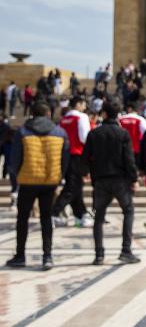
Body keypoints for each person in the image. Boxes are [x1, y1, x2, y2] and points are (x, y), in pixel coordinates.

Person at [6, 101, 69, 271]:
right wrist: (59, 177)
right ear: (48, 114)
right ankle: (47, 256)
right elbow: (65, 160)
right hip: (50, 181)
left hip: (27, 180)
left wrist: (18, 174)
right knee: (46, 218)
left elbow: (15, 159)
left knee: (22, 219)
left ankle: (20, 255)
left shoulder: (22, 132)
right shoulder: (60, 132)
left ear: (32, 114)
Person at [83, 100, 140, 265]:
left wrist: (87, 173)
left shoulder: (94, 134)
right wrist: (134, 179)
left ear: (104, 114)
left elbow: (85, 158)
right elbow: (129, 159)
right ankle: (126, 251)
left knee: (99, 217)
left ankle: (99, 255)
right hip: (120, 180)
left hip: (100, 181)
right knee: (128, 211)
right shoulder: (123, 134)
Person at [52, 96, 92, 227]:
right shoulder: (82, 117)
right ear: (79, 104)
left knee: (76, 186)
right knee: (72, 187)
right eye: (84, 104)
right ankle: (54, 212)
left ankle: (80, 216)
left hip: (65, 155)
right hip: (78, 155)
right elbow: (85, 138)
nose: (85, 107)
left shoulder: (64, 119)